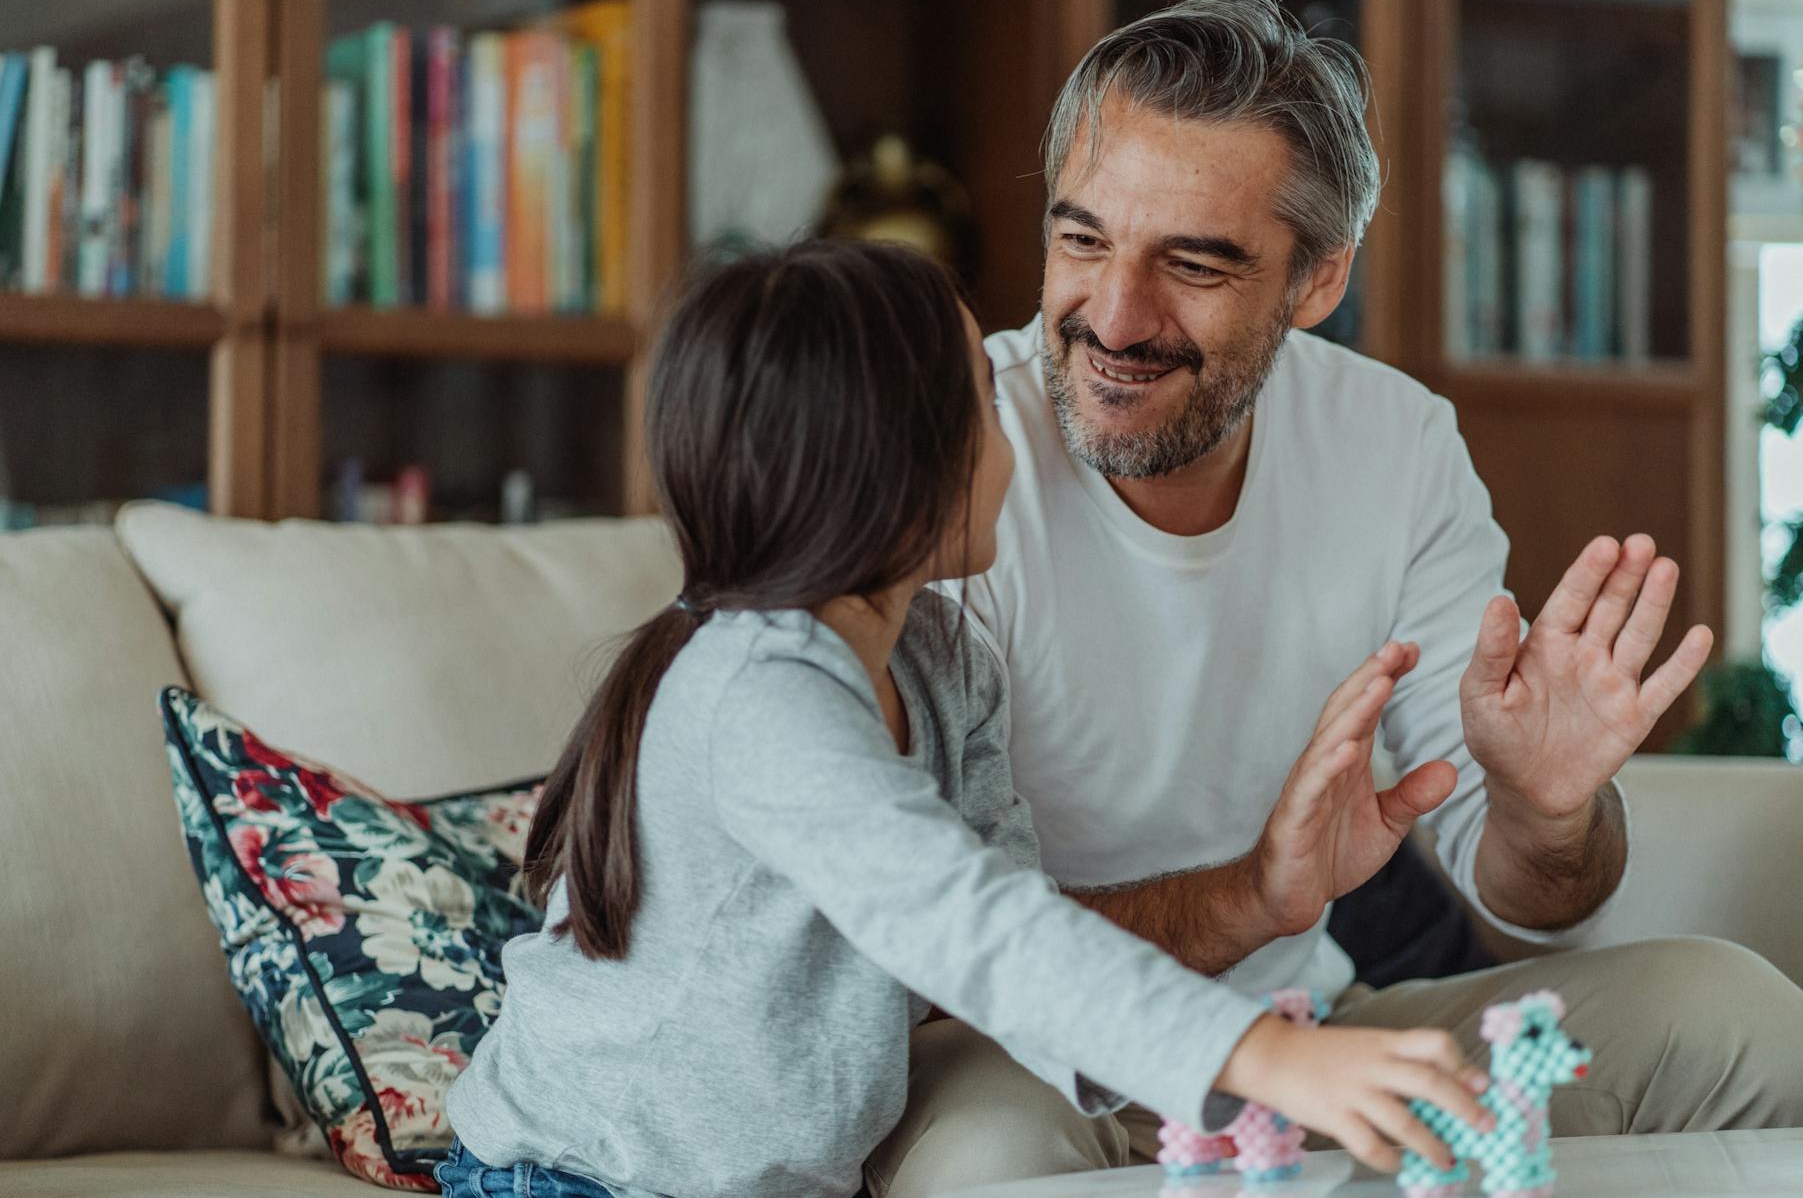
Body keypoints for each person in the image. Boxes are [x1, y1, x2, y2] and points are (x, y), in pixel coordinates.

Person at [867, 0, 1803, 1198]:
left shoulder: (1393, 443)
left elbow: (1535, 897)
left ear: (1316, 280)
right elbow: (913, 937)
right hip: (1014, 1062)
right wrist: (1246, 896)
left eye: (1194, 263)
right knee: (992, 1166)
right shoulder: (947, 452)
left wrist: (1544, 811)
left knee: (1738, 1023)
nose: (1113, 317)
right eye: (1082, 240)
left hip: (1303, 1059)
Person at [437, 240, 1502, 1198]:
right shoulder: (753, 692)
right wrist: (1261, 1057)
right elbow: (967, 923)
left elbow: (1021, 923)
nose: (1024, 432)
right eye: (992, 404)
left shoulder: (944, 662)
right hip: (578, 1176)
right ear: (895, 466)